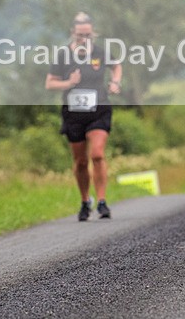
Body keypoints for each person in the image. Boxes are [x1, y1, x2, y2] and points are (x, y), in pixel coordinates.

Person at [45, 12, 122, 221]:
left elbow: (116, 66)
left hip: (99, 110)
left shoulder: (100, 52)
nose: (84, 39)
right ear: (73, 33)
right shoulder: (63, 55)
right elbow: (50, 83)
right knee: (80, 161)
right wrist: (68, 83)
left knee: (97, 154)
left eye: (88, 35)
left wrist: (115, 82)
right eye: (80, 35)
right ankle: (85, 201)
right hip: (73, 114)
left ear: (93, 34)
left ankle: (102, 201)